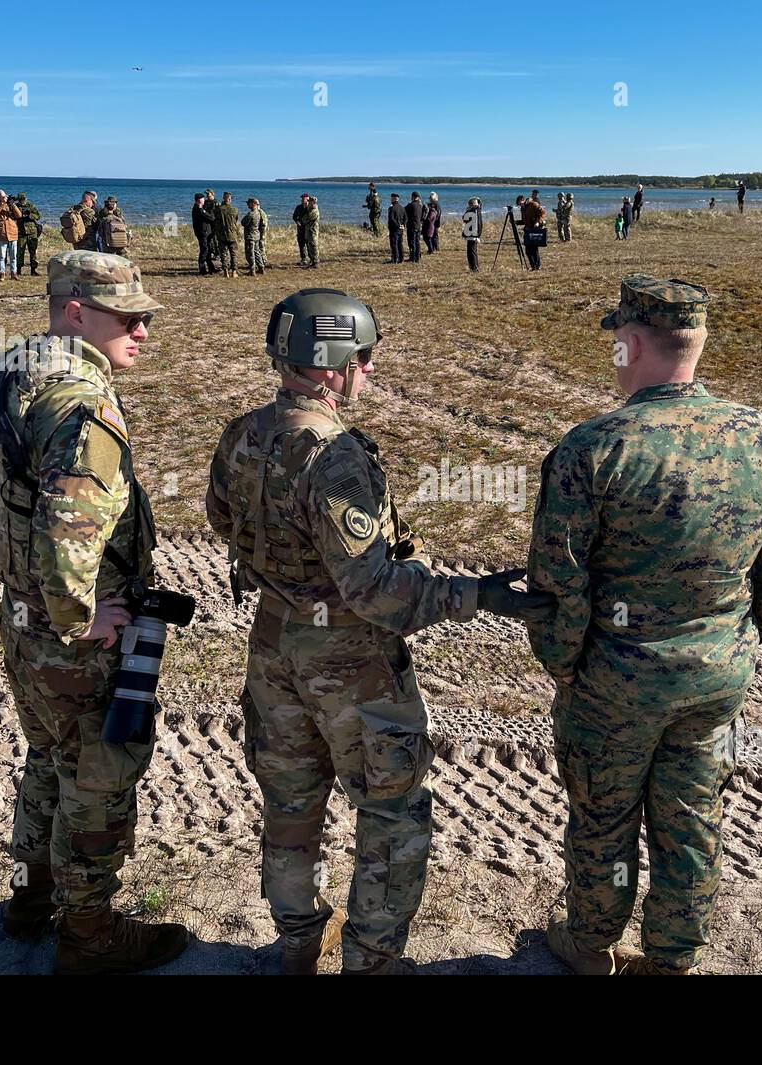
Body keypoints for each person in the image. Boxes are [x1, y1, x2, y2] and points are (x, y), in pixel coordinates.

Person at [206, 288, 554, 975]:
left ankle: (298, 939)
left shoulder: (244, 432)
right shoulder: (332, 456)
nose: (369, 371)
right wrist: (473, 594)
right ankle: (371, 960)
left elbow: (222, 517)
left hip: (273, 645)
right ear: (331, 361)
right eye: (363, 358)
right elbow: (375, 590)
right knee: (392, 808)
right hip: (348, 661)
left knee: (291, 798)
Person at [526, 275, 762, 976]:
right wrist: (755, 632)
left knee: (603, 816)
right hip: (715, 676)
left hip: (612, 682)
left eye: (615, 344)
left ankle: (593, 947)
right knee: (691, 820)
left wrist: (561, 660)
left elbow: (556, 581)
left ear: (630, 344)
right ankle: (671, 960)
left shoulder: (593, 448)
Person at [0, 250, 189, 975]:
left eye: (145, 317)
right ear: (75, 310)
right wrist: (80, 615)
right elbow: (70, 520)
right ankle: (90, 937)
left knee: (47, 758)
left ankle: (29, 897)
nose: (142, 331)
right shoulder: (80, 398)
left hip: (22, 623)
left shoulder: (6, 371)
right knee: (98, 777)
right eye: (128, 317)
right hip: (71, 640)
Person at [0, 189, 22, 281]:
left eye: (5, 196)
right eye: (2, 197)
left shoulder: (10, 205)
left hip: (12, 233)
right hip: (2, 234)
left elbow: (19, 215)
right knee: (1, 256)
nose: (4, 198)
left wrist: (13, 204)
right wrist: (2, 203)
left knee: (13, 256)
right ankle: (2, 274)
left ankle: (14, 273)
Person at [213, 191, 242, 277]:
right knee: (233, 254)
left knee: (223, 254)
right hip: (232, 235)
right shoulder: (234, 210)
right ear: (230, 199)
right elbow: (235, 220)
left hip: (222, 235)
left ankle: (226, 271)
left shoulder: (218, 209)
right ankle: (234, 271)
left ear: (223, 198)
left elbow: (215, 216)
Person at [15, 193, 42, 276]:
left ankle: (33, 270)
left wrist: (30, 215)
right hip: (21, 232)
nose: (22, 201)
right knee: (19, 252)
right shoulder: (15, 206)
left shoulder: (31, 206)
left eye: (23, 199)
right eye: (21, 200)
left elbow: (38, 216)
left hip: (32, 232)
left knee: (33, 251)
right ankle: (18, 270)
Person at [191, 193, 217, 275]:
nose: (204, 200)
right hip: (203, 233)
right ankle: (202, 269)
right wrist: (210, 214)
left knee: (208, 250)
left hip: (206, 232)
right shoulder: (199, 209)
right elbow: (211, 218)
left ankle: (211, 268)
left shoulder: (200, 208)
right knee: (204, 250)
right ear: (199, 200)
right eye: (203, 199)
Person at [520, 190, 546, 270]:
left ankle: (537, 266)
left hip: (534, 229)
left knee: (534, 249)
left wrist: (538, 222)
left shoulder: (533, 203)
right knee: (528, 250)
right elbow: (524, 220)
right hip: (528, 230)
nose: (520, 205)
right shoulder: (523, 208)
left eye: (521, 203)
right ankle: (534, 266)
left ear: (523, 200)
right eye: (519, 205)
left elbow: (543, 212)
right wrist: (516, 222)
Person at [242, 197, 268, 275]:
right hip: (257, 235)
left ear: (253, 204)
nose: (247, 205)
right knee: (257, 252)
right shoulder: (260, 213)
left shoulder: (251, 214)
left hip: (250, 236)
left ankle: (252, 269)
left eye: (248, 203)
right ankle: (261, 267)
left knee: (250, 253)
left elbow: (243, 223)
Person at [461, 196, 483, 272]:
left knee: (471, 252)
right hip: (474, 233)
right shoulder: (478, 210)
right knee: (473, 252)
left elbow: (464, 218)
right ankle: (474, 267)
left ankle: (474, 268)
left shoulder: (471, 211)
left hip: (472, 234)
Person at [292, 193, 312, 265]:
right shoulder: (298, 207)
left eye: (304, 198)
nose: (303, 199)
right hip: (300, 228)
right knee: (301, 244)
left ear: (308, 199)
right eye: (302, 198)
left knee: (309, 244)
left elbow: (313, 217)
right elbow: (294, 216)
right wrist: (297, 222)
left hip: (308, 229)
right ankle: (303, 259)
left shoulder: (310, 207)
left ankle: (311, 259)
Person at [386, 194, 405, 264]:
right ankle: (401, 258)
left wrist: (398, 225)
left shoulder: (392, 208)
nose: (390, 200)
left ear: (394, 199)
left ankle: (395, 259)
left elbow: (391, 218)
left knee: (394, 244)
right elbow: (406, 218)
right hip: (401, 229)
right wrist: (403, 225)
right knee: (400, 244)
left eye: (391, 198)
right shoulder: (402, 208)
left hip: (394, 229)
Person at [404, 192, 423, 262]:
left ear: (413, 197)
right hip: (418, 226)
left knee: (411, 242)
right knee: (417, 242)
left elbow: (403, 210)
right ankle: (417, 257)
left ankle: (412, 257)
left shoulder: (411, 205)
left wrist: (408, 204)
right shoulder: (420, 205)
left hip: (412, 226)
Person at [304, 195, 321, 269]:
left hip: (313, 231)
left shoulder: (314, 210)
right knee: (309, 246)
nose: (309, 203)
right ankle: (312, 261)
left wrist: (303, 219)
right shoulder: (310, 209)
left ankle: (315, 262)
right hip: (309, 230)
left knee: (313, 246)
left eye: (310, 202)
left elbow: (306, 219)